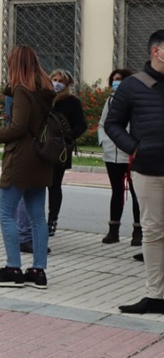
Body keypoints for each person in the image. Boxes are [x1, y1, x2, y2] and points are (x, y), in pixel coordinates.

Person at [0, 45, 54, 289]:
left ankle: (13, 267)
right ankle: (38, 270)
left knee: (5, 212)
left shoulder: (23, 90)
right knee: (37, 217)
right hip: (41, 160)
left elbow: (18, 127)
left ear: (15, 65)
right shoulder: (45, 89)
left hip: (21, 159)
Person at [106, 29, 164, 314]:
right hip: (148, 169)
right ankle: (156, 295)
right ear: (157, 51)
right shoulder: (132, 85)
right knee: (153, 231)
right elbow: (112, 124)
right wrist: (135, 148)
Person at [33, 69, 87, 238]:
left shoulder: (72, 102)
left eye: (61, 81)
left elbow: (81, 125)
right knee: (37, 185)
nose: (57, 83)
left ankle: (52, 220)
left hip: (59, 150)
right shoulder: (44, 99)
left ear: (68, 84)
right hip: (40, 148)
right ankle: (37, 220)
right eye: (54, 79)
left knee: (54, 186)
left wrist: (68, 138)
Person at [100, 68, 139, 245]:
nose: (116, 82)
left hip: (130, 153)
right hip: (111, 153)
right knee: (116, 191)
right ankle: (113, 230)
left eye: (120, 80)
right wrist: (104, 142)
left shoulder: (135, 101)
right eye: (114, 80)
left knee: (136, 193)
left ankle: (138, 232)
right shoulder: (110, 100)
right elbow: (103, 124)